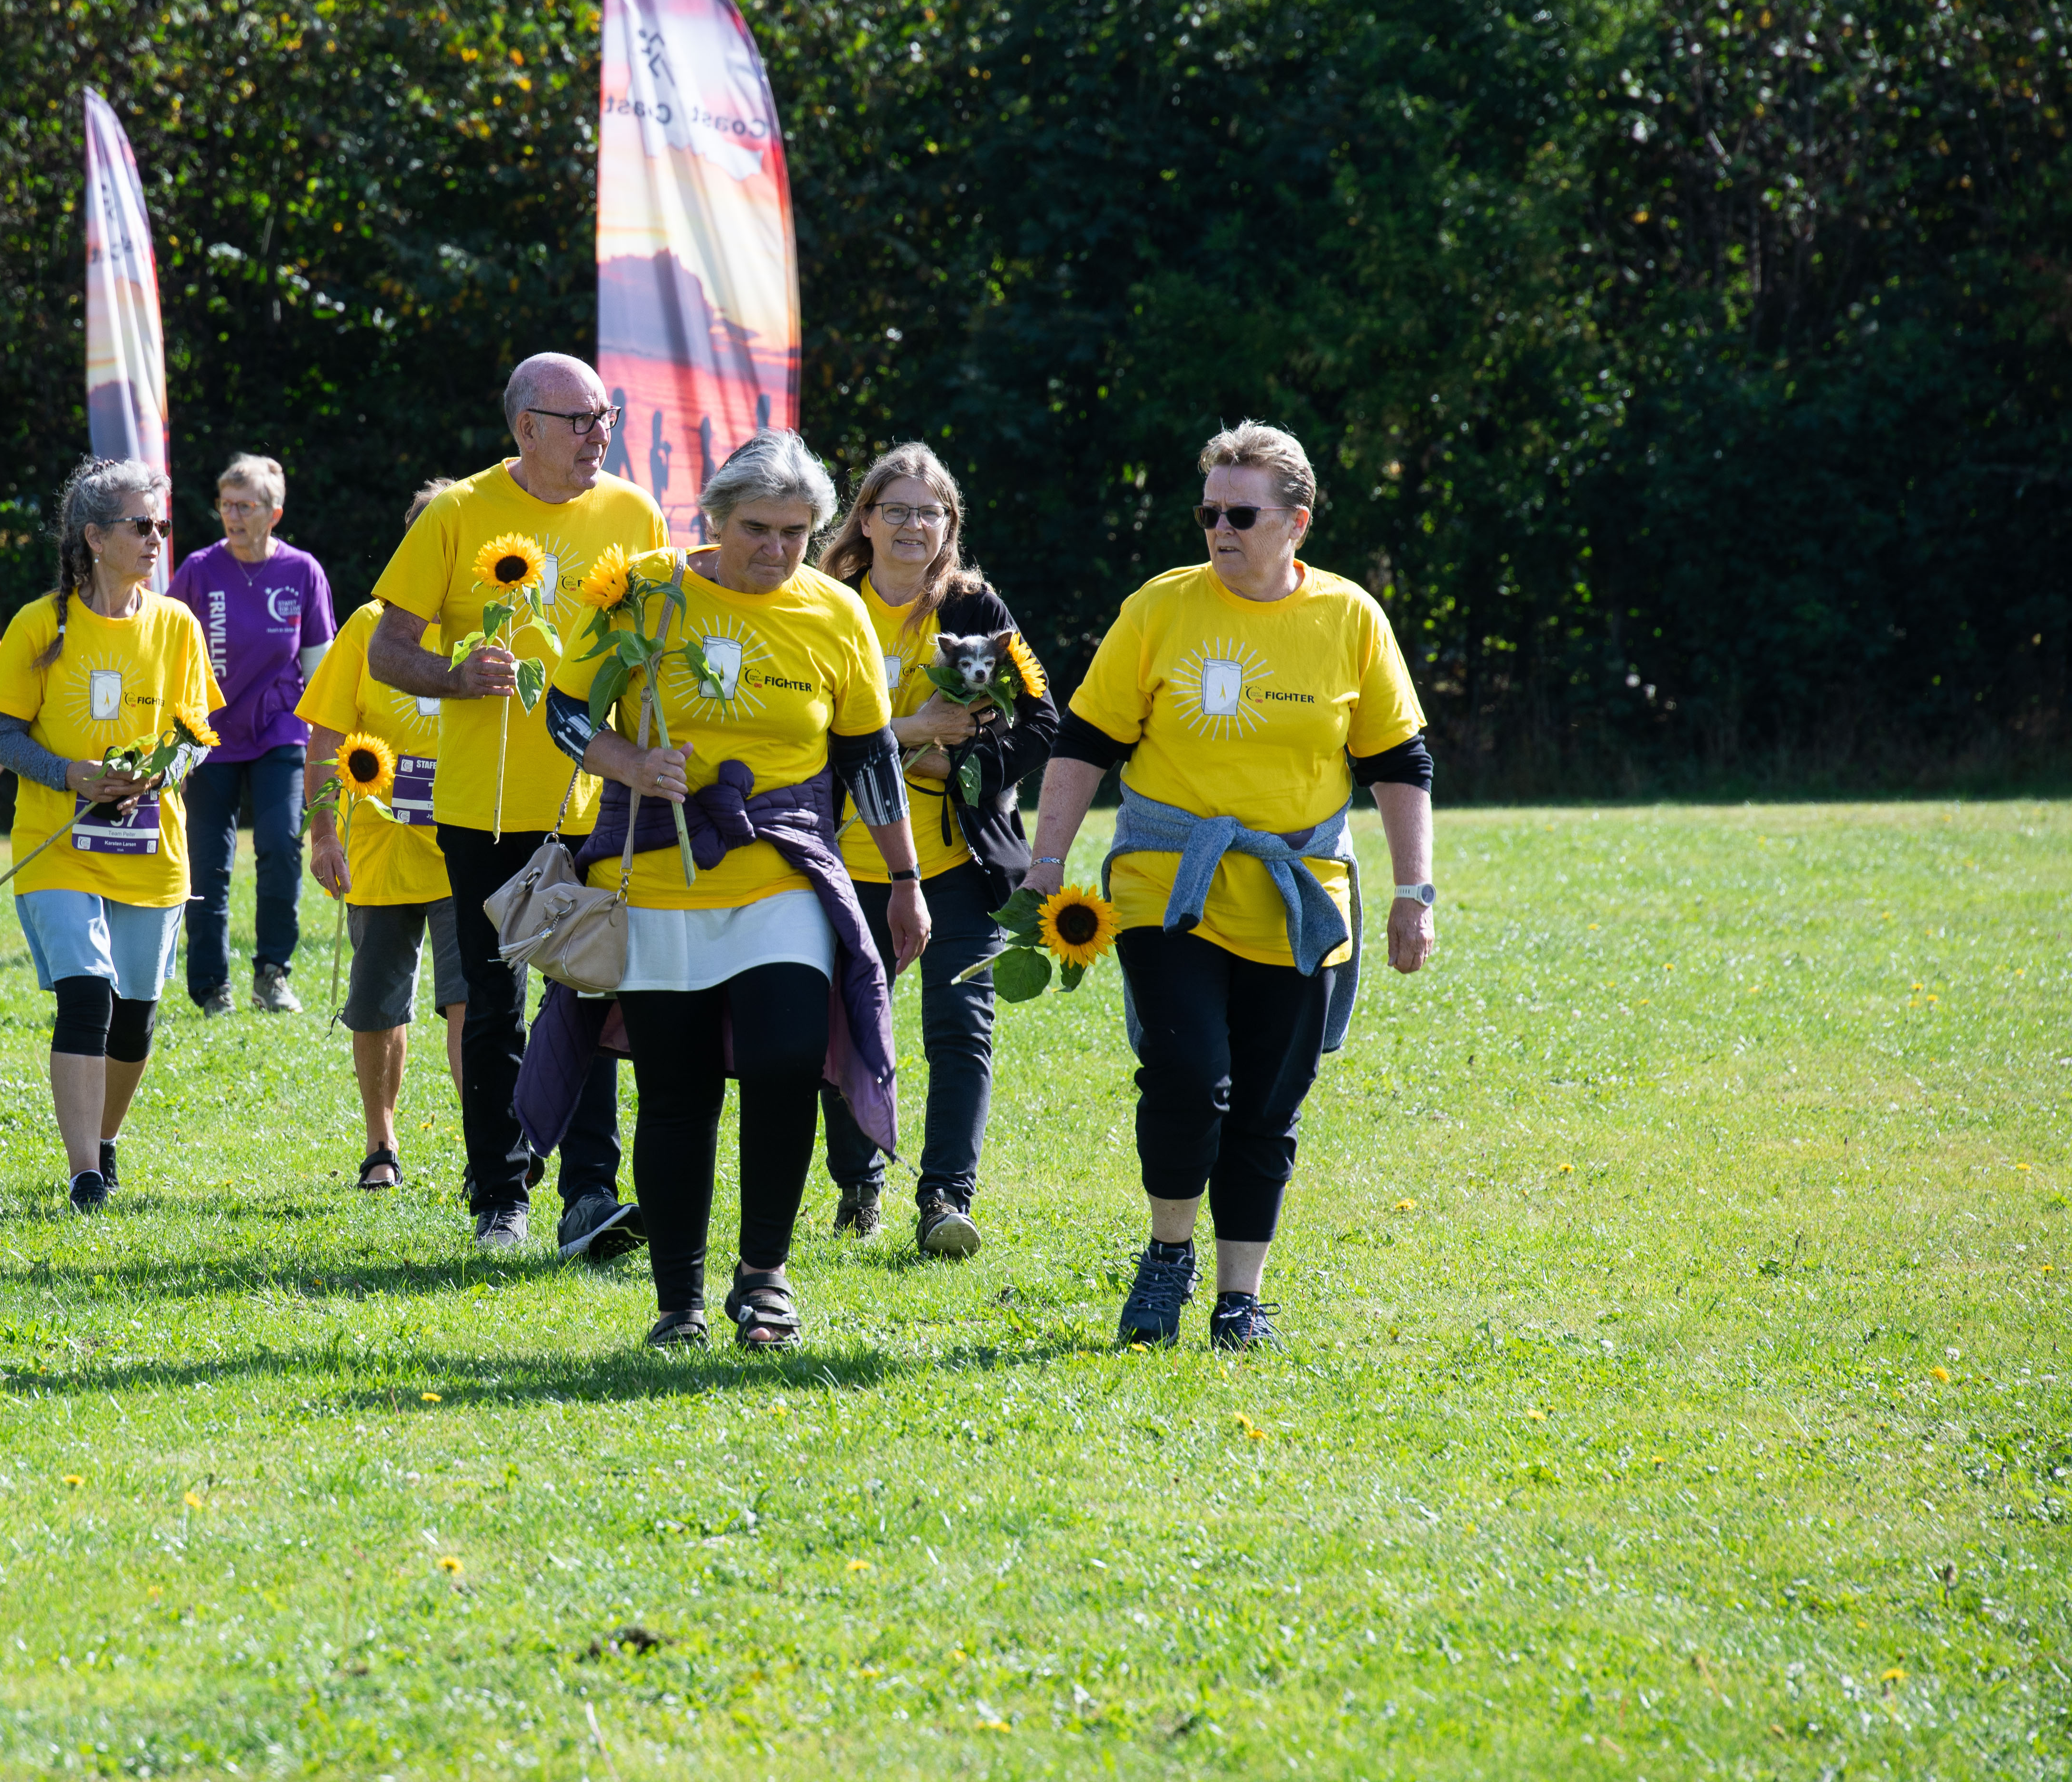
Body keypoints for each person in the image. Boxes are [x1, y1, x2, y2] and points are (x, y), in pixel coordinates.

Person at [1024, 420, 1435, 1351]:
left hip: (1299, 894)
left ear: (1296, 520)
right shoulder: (1162, 607)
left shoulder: (1348, 617)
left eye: (1240, 513)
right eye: (1209, 511)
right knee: (1185, 1074)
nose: (1220, 528)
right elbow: (1087, 739)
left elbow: (1399, 759)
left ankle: (1240, 1295)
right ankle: (1170, 1253)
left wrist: (1417, 890)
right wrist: (1046, 862)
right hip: (1170, 886)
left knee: (1265, 1102)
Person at [525, 432, 926, 1347]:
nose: (777, 550)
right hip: (660, 872)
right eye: (757, 529)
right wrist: (631, 760)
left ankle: (765, 1279)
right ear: (713, 520)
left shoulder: (835, 612)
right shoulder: (644, 595)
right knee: (677, 1089)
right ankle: (680, 1303)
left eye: (797, 532)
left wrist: (905, 878)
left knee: (788, 1061)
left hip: (784, 871)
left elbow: (869, 756)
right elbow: (565, 710)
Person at [367, 352, 667, 1254]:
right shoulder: (459, 513)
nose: (599, 435)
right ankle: (501, 1194)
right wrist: (454, 677)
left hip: (597, 803)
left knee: (589, 990)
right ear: (525, 428)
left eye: (606, 417)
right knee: (493, 1005)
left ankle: (590, 1193)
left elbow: (654, 652)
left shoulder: (634, 512)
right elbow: (387, 651)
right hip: (484, 806)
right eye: (580, 420)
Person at [813, 442, 1063, 1257]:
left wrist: (960, 767)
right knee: (846, 1033)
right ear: (866, 521)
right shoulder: (820, 603)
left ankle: (945, 1200)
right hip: (840, 863)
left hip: (962, 864)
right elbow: (799, 736)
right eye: (896, 510)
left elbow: (1044, 722)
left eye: (930, 511)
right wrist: (911, 733)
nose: (913, 524)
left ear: (949, 523)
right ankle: (859, 1185)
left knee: (961, 1028)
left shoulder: (979, 609)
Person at [0, 458, 221, 1213]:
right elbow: (3, 738)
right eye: (141, 525)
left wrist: (162, 771)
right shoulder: (39, 623)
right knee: (86, 997)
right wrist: (70, 774)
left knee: (136, 1012)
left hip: (153, 851)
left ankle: (105, 1141)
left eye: (162, 526)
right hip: (58, 844)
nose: (157, 539)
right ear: (94, 536)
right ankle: (85, 1175)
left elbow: (198, 735)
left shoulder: (176, 623)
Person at [296, 478, 469, 1192]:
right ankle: (381, 1144)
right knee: (377, 1005)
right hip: (381, 848)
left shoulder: (497, 624)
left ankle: (486, 1154)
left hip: (470, 850)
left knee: (475, 1002)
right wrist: (324, 837)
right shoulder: (368, 627)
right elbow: (324, 739)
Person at [171, 453, 336, 1016]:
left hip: (281, 733)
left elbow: (322, 667)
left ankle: (273, 974)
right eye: (227, 505)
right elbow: (167, 654)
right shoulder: (197, 570)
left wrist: (329, 736)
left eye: (246, 506)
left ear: (274, 512)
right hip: (208, 738)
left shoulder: (302, 572)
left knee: (280, 847)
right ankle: (211, 986)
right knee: (207, 862)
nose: (234, 516)